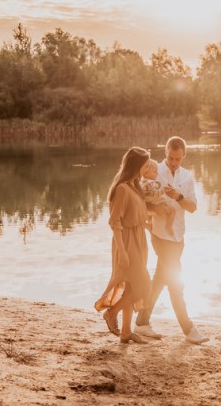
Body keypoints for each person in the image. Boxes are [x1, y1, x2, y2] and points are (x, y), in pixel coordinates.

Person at [135, 136, 209, 344]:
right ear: (165, 152)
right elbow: (138, 198)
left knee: (159, 280)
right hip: (160, 235)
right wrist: (151, 215)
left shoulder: (187, 177)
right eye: (170, 158)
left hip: (178, 237)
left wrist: (177, 196)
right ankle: (188, 329)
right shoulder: (153, 170)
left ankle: (141, 322)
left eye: (177, 159)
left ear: (184, 155)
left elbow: (193, 208)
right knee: (176, 283)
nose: (173, 162)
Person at [94, 147, 152, 344]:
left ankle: (126, 332)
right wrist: (123, 251)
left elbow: (135, 215)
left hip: (138, 239)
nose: (147, 169)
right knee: (144, 285)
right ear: (136, 166)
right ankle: (112, 313)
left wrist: (147, 226)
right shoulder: (122, 189)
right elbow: (115, 222)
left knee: (131, 286)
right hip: (126, 242)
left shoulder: (134, 186)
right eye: (145, 165)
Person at [141, 159, 176, 237]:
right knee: (173, 211)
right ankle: (169, 226)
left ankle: (149, 225)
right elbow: (154, 193)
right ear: (146, 172)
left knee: (150, 218)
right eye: (154, 172)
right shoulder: (150, 183)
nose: (156, 174)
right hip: (157, 202)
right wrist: (163, 190)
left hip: (149, 203)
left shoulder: (143, 182)